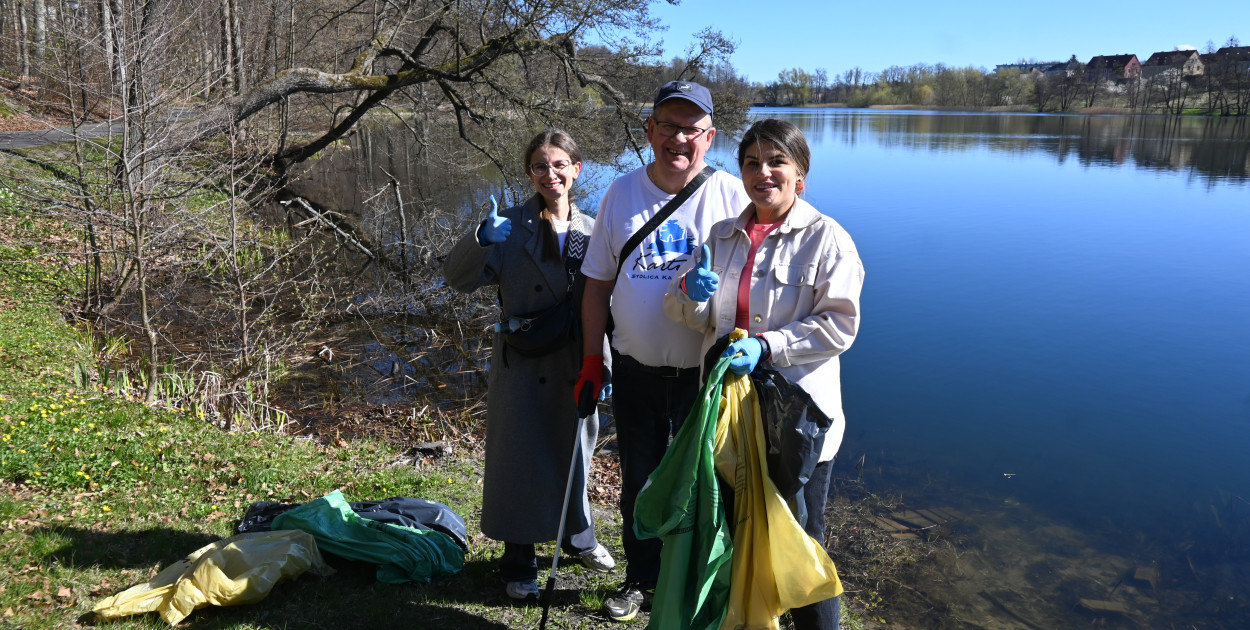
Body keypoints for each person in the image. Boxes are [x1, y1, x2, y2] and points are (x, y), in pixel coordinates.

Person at [663, 118, 865, 629]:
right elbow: (689, 315)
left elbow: (840, 325)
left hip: (795, 422)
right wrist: (689, 292)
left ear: (801, 176)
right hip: (730, 419)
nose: (763, 173)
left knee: (799, 538)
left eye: (777, 162)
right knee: (736, 527)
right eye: (752, 162)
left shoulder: (827, 239)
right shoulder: (721, 235)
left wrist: (768, 345)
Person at [574, 81, 751, 622]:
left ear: (710, 138)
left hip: (706, 375)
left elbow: (758, 282)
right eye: (668, 125)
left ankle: (699, 579)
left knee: (708, 483)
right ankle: (641, 578)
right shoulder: (621, 193)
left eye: (691, 129)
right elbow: (597, 285)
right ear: (649, 130)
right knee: (640, 479)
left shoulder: (732, 195)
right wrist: (592, 358)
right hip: (636, 370)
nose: (679, 138)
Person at [444, 129, 615, 601]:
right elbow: (456, 279)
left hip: (576, 360)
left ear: (576, 169)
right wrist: (480, 239)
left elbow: (606, 306)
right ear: (529, 172)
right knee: (519, 460)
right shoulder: (509, 225)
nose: (550, 174)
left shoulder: (594, 229)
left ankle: (579, 536)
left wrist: (603, 364)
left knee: (576, 452)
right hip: (520, 362)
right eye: (540, 166)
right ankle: (518, 560)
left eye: (559, 164)